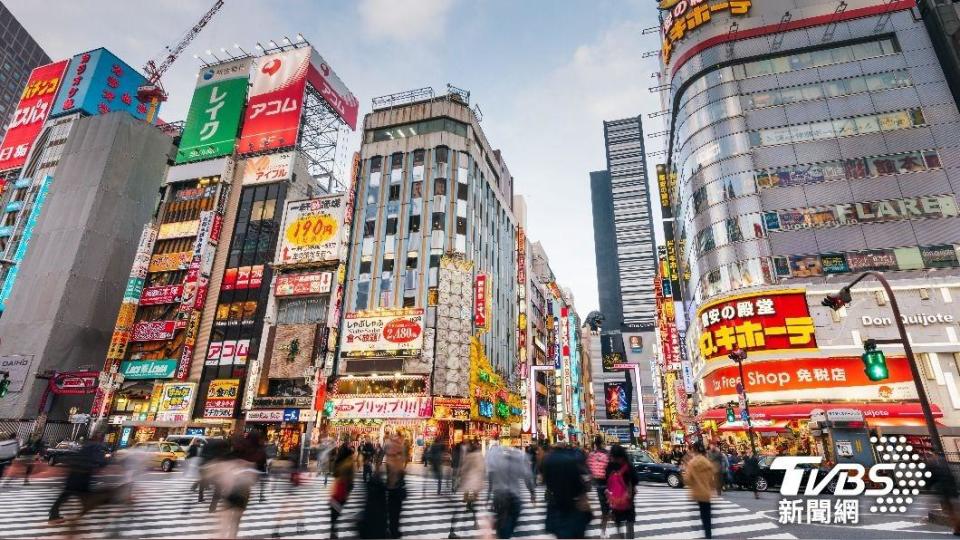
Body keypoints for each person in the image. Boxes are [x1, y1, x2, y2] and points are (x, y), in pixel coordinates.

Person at [48, 435, 109, 523]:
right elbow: (100, 461)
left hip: (74, 473)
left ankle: (53, 514)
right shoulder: (96, 447)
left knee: (67, 494)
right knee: (84, 495)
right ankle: (83, 514)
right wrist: (105, 462)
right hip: (83, 475)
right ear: (100, 439)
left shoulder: (86, 446)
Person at [541, 444, 592, 539]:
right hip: (572, 503)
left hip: (556, 502)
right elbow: (578, 482)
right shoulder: (570, 460)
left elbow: (545, 480)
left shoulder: (548, 460)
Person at [487, 443, 536, 539]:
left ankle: (502, 532)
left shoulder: (495, 457)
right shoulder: (520, 456)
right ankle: (504, 533)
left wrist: (489, 493)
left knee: (502, 520)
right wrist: (532, 492)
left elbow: (490, 475)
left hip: (499, 495)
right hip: (514, 495)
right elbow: (527, 476)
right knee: (511, 522)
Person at [449, 440, 484, 538]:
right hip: (475, 485)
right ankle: (475, 523)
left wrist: (458, 483)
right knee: (472, 506)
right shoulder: (479, 457)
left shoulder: (468, 457)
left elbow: (463, 470)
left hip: (467, 485)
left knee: (461, 509)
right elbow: (482, 470)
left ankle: (452, 530)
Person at [683, 443, 717, 539]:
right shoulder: (707, 462)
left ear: (694, 451)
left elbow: (687, 480)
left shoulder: (692, 463)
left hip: (697, 493)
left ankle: (705, 534)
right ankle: (708, 535)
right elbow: (712, 480)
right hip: (707, 493)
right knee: (707, 517)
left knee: (701, 516)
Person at [605, 445, 638, 539]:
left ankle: (621, 537)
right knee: (629, 521)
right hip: (628, 499)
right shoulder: (628, 465)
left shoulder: (609, 466)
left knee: (618, 522)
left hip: (615, 499)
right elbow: (635, 480)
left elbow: (607, 481)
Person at [927, 452, 960, 535]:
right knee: (954, 508)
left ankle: (957, 529)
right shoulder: (943, 461)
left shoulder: (931, 464)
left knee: (950, 510)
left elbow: (930, 478)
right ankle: (957, 528)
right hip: (952, 487)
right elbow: (951, 473)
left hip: (943, 489)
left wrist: (928, 487)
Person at [330, 438, 355, 540]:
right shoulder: (348, 461)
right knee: (337, 508)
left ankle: (333, 527)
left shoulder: (340, 459)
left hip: (337, 487)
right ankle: (333, 527)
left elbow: (334, 472)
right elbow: (350, 477)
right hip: (342, 487)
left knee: (334, 508)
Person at [384, 433, 408, 538]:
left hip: (392, 486)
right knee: (395, 511)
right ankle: (393, 530)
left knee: (393, 510)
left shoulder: (391, 449)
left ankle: (392, 529)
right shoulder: (396, 450)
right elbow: (398, 468)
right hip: (395, 486)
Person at [586, 436, 611, 538]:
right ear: (603, 443)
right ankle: (603, 530)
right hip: (608, 484)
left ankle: (603, 529)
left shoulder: (591, 455)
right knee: (607, 509)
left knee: (603, 507)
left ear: (595, 444)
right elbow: (611, 468)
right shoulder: (607, 455)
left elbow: (588, 468)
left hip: (598, 484)